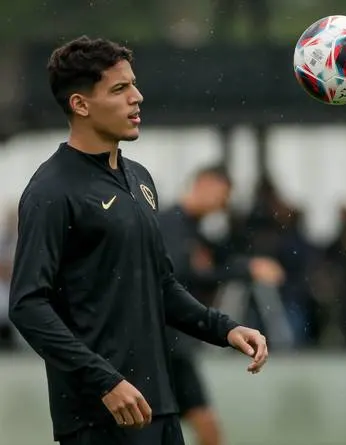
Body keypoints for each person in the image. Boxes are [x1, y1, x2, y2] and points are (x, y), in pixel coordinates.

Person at [8, 35, 268, 445]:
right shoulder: (51, 191)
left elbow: (161, 284)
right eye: (120, 89)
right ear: (80, 104)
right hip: (99, 416)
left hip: (159, 408)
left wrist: (225, 328)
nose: (137, 97)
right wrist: (104, 381)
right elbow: (27, 305)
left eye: (133, 84)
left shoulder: (140, 179)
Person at [158, 166, 284, 445]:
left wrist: (248, 266)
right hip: (165, 344)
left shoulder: (192, 229)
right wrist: (246, 270)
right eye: (223, 194)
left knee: (204, 427)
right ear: (204, 184)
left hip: (175, 343)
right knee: (202, 427)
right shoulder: (171, 223)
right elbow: (179, 276)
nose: (223, 205)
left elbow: (214, 264)